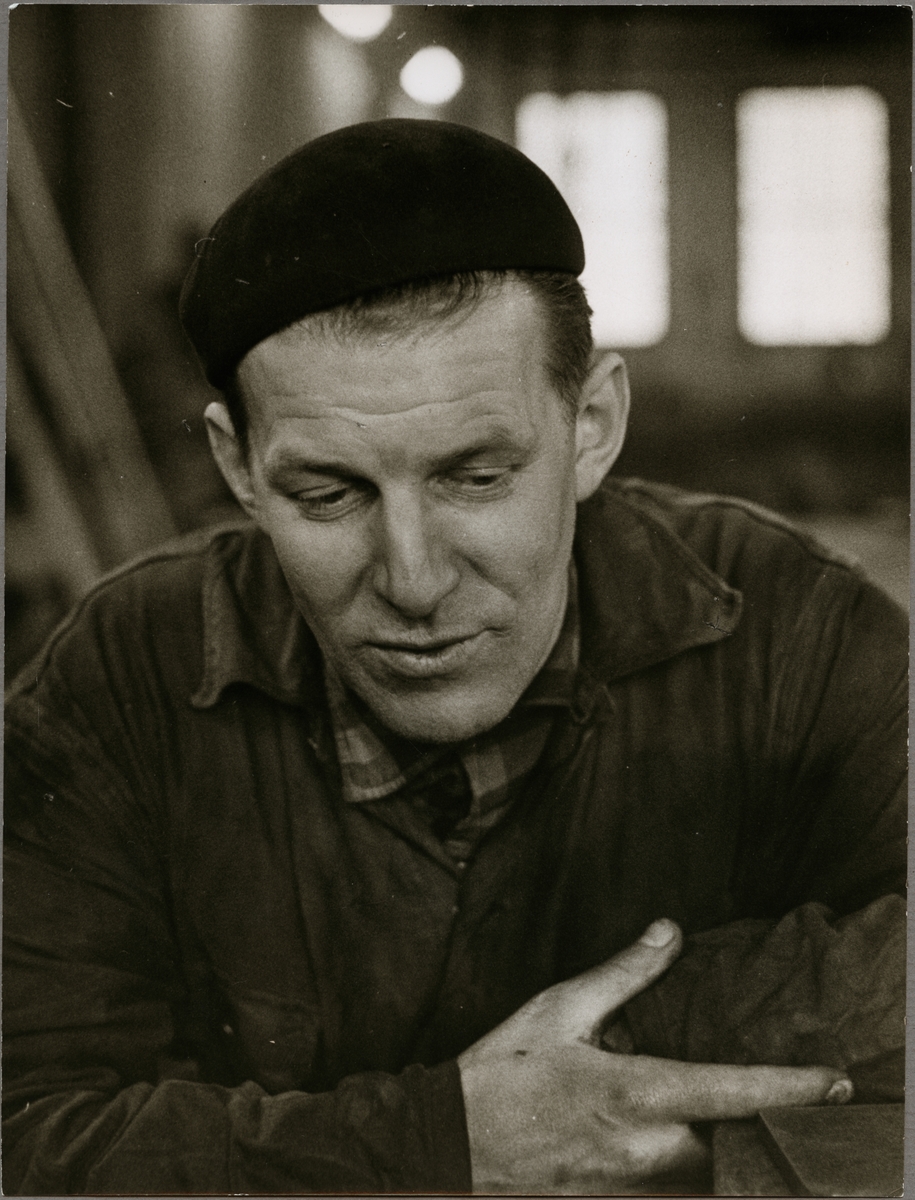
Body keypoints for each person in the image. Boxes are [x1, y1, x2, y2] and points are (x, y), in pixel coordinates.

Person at [3, 119, 905, 1196]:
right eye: (327, 494)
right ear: (238, 468)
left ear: (592, 424)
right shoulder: (120, 675)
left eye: (476, 478)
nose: (414, 579)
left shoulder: (795, 633)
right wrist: (448, 1138)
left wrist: (608, 1053)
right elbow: (20, 1132)